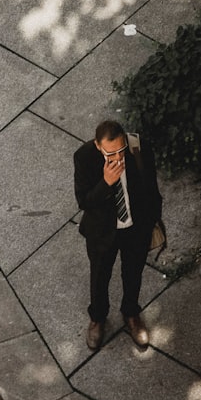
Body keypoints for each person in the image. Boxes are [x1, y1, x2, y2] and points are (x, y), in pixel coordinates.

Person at [73, 119, 163, 350]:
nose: (117, 158)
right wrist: (106, 182)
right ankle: (98, 318)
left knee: (133, 274)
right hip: (102, 232)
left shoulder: (138, 148)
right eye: (110, 153)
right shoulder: (84, 157)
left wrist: (151, 219)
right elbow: (84, 201)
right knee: (100, 276)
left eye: (120, 150)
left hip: (135, 228)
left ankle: (131, 314)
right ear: (98, 145)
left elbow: (151, 188)